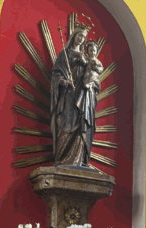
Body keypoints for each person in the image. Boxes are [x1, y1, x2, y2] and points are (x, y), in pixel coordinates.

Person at [51, 29, 92, 167]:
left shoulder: (85, 57)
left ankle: (77, 161)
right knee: (65, 124)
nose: (81, 38)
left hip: (81, 95)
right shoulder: (65, 54)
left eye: (84, 37)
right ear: (74, 36)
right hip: (68, 94)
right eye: (79, 35)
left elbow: (93, 74)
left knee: (81, 127)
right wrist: (63, 82)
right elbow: (55, 75)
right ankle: (62, 158)